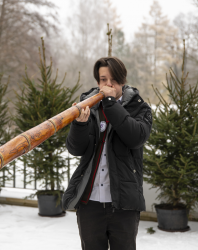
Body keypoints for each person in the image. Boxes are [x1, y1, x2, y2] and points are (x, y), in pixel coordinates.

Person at [62, 57, 152, 250]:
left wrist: (110, 103)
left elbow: (136, 138)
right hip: (90, 204)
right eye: (103, 79)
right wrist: (79, 125)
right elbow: (75, 149)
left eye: (114, 79)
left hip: (123, 205)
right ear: (98, 82)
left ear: (123, 79)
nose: (108, 84)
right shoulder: (88, 106)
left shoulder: (139, 108)